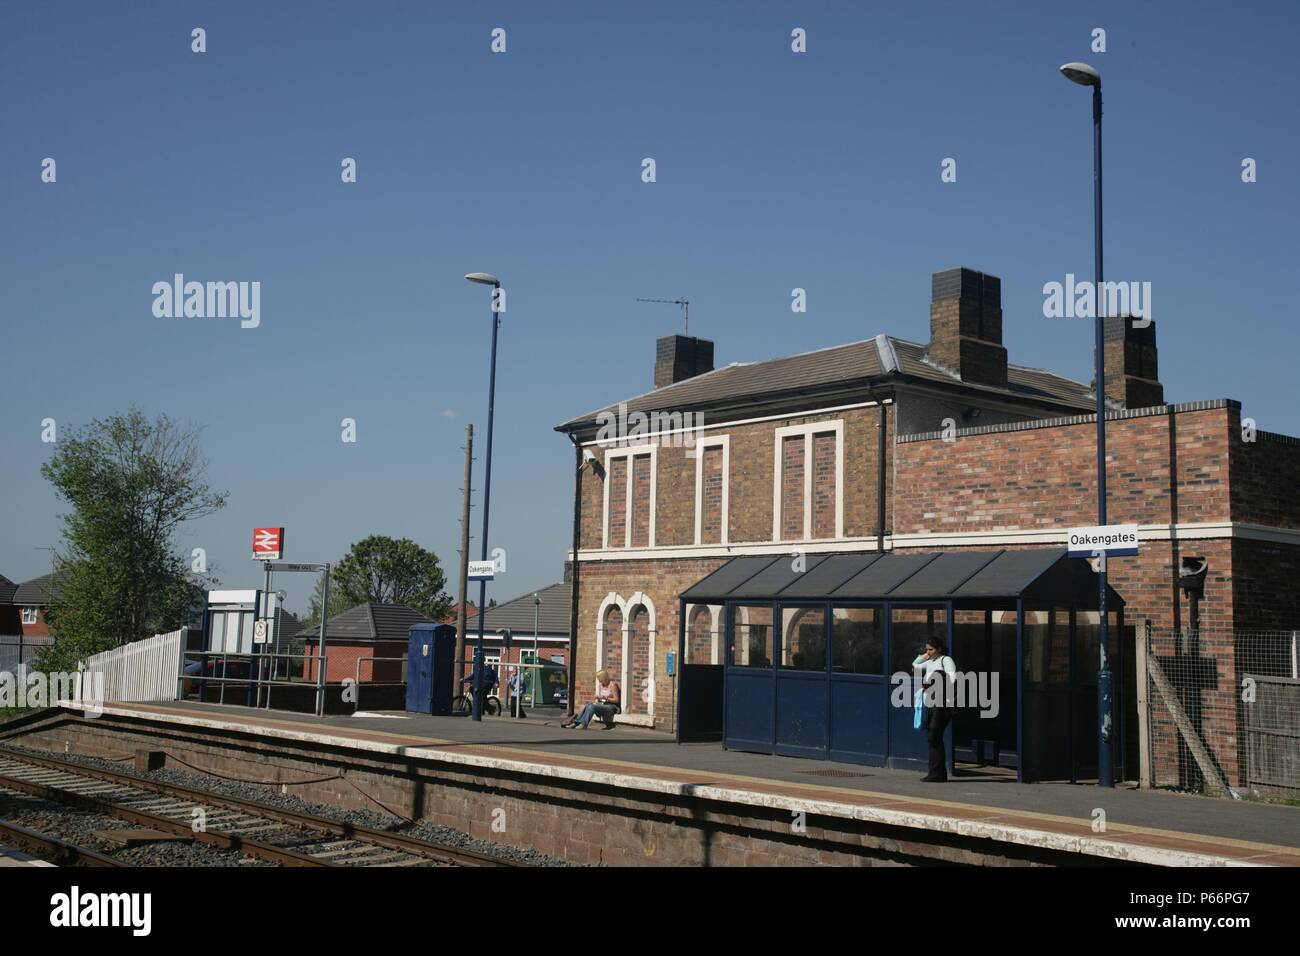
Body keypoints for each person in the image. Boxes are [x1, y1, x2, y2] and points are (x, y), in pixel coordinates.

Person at [912, 639, 957, 782]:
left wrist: (933, 684)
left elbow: (952, 677)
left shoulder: (946, 660)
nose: (928, 652)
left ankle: (936, 773)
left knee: (934, 735)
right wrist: (924, 656)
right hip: (931, 702)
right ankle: (937, 773)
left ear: (939, 649)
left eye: (930, 649)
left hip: (942, 703)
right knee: (933, 737)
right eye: (927, 649)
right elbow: (915, 665)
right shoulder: (930, 661)